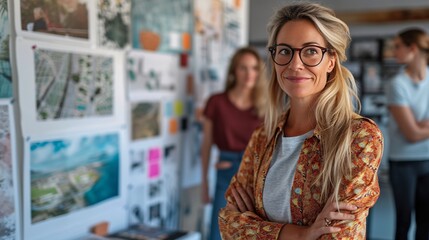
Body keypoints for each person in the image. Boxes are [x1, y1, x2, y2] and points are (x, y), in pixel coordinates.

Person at [218, 2, 384, 239]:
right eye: (285, 51)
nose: (295, 64)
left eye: (311, 51)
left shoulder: (359, 137)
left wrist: (254, 227)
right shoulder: (262, 137)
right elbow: (228, 225)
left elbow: (338, 236)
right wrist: (301, 235)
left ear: (331, 61)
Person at [200, 46, 267, 240]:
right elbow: (206, 145)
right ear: (233, 71)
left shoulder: (264, 106)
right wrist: (204, 182)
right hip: (226, 169)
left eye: (254, 68)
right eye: (243, 68)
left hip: (255, 173)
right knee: (217, 232)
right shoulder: (216, 102)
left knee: (251, 232)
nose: (249, 74)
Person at [386, 28, 429, 240]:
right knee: (403, 222)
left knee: (426, 223)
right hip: (402, 162)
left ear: (412, 49)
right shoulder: (396, 84)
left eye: (397, 46)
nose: (394, 52)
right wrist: (418, 127)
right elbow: (411, 133)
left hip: (427, 159)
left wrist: (421, 127)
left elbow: (417, 129)